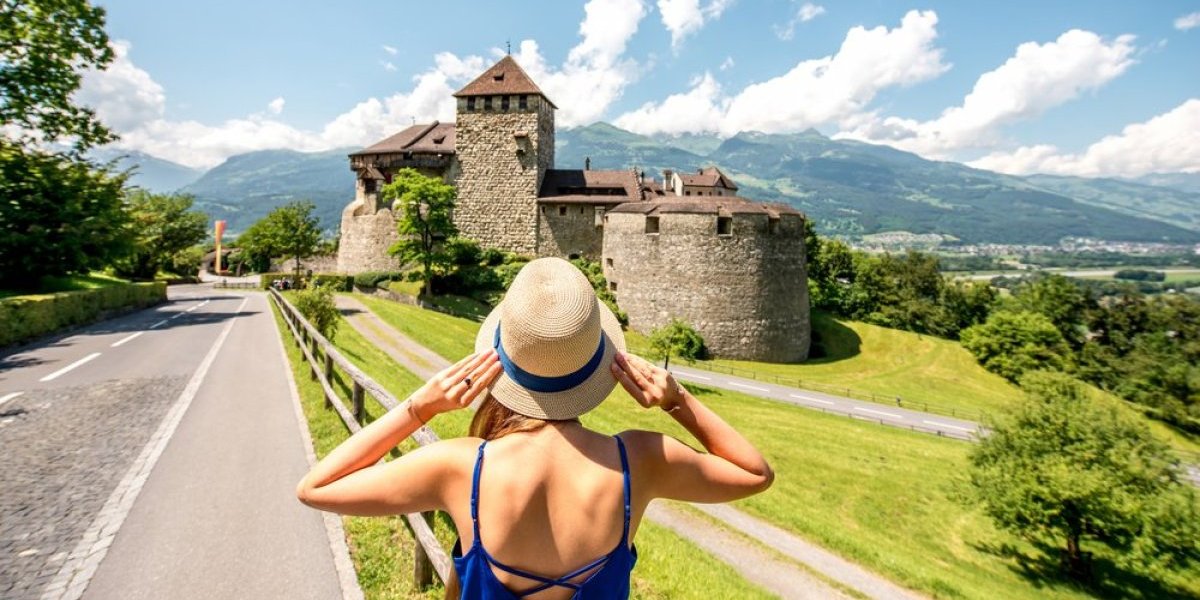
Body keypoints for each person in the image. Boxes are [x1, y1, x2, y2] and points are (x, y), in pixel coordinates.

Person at [296, 257, 774, 599]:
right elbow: (755, 474)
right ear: (599, 362)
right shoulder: (639, 461)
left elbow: (317, 487)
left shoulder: (463, 467)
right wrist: (677, 400)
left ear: (501, 360)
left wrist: (419, 407)